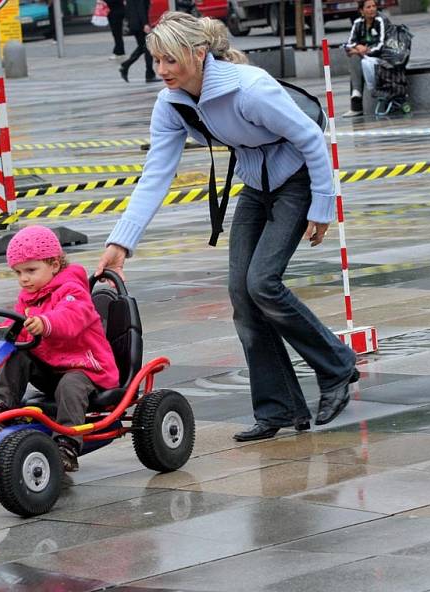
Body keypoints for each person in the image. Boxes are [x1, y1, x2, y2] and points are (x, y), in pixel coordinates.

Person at [96, 12, 359, 442]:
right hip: (256, 186)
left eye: (170, 60)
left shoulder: (250, 89)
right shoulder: (173, 102)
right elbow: (156, 174)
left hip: (295, 181)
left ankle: (337, 367)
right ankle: (278, 408)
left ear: (198, 54)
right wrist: (121, 243)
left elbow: (312, 138)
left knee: (263, 283)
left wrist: (322, 206)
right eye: (156, 60)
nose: (161, 70)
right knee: (242, 292)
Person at [0, 226, 119, 471]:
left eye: (31, 270)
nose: (24, 279)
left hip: (86, 368)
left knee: (70, 384)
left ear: (54, 264)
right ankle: (1, 405)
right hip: (52, 369)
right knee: (18, 353)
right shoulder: (27, 297)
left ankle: (67, 444)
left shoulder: (73, 291)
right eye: (18, 272)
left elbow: (71, 318)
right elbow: (17, 328)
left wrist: (46, 323)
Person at [343, 0, 387, 117]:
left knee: (355, 57)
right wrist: (358, 47)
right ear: (362, 11)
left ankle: (356, 103)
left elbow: (382, 45)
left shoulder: (381, 21)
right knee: (353, 58)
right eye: (368, 7)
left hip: (380, 56)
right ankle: (356, 96)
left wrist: (364, 51)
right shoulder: (357, 23)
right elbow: (349, 43)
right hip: (364, 59)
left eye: (374, 6)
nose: (372, 9)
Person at [119, 0, 158, 83]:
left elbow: (128, 8)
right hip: (140, 24)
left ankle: (125, 66)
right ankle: (149, 75)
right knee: (147, 47)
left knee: (142, 47)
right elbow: (141, 8)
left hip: (134, 23)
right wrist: (145, 24)